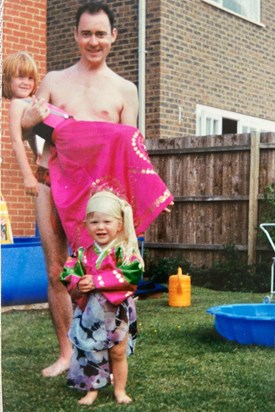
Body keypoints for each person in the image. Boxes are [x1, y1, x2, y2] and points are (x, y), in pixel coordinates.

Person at [21, 1, 173, 378]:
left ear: (113, 37)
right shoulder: (54, 80)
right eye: (86, 33)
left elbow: (130, 150)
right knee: (58, 268)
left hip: (103, 197)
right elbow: (30, 134)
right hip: (51, 182)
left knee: (108, 269)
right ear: (75, 35)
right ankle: (65, 352)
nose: (93, 41)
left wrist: (152, 191)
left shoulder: (125, 89)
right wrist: (28, 120)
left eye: (100, 34)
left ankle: (104, 351)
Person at [60, 190, 143, 405]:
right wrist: (79, 282)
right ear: (87, 225)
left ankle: (120, 390)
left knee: (117, 351)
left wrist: (97, 281)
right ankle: (92, 390)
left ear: (119, 224)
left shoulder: (125, 252)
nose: (101, 227)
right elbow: (68, 272)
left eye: (107, 221)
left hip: (117, 311)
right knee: (91, 350)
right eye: (94, 221)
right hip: (91, 311)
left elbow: (131, 275)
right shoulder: (82, 253)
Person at [2, 51, 43, 196]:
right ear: (7, 80)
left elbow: (33, 131)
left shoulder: (32, 99)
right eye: (20, 77)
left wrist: (36, 151)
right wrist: (27, 175)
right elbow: (16, 140)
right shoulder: (16, 104)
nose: (26, 82)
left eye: (30, 78)